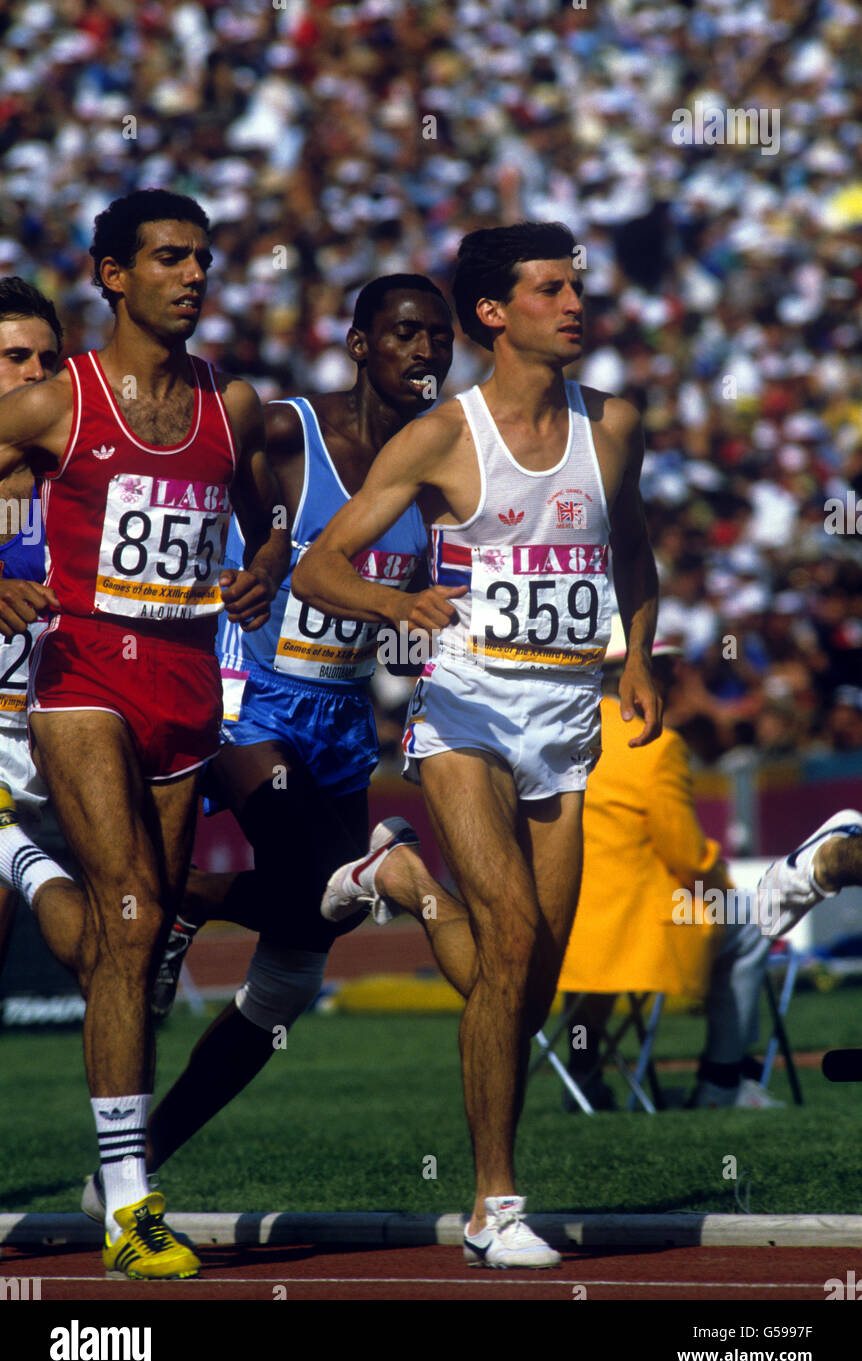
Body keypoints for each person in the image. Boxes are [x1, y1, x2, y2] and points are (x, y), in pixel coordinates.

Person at [293, 221, 662, 1269]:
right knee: (509, 943)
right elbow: (322, 568)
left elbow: (631, 549)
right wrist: (395, 600)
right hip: (463, 714)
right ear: (494, 314)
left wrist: (638, 656)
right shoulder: (443, 438)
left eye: (577, 286)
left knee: (528, 974)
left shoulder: (617, 425)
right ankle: (493, 1203)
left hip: (565, 719)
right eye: (551, 289)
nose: (576, 304)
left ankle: (406, 884)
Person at [87, 275, 456, 1186]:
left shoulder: (434, 462)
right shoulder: (288, 430)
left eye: (438, 337)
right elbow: (190, 463)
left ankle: (134, 1163)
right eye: (405, 333)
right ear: (359, 343)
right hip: (249, 695)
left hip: (340, 719)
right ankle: (307, 876)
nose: (425, 352)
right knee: (321, 873)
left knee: (293, 969)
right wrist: (240, 565)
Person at [0, 189, 289, 1279]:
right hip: (82, 677)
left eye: (204, 259)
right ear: (110, 274)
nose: (195, 276)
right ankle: (131, 1202)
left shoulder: (233, 403)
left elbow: (264, 512)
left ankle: (124, 1188)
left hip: (183, 682)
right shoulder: (57, 404)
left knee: (147, 927)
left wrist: (262, 569)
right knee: (126, 904)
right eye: (170, 258)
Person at [557, 619, 783, 1112]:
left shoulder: (549, 731)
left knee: (593, 980)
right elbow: (685, 854)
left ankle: (582, 1077)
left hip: (560, 928)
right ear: (633, 671)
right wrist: (725, 887)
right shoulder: (654, 744)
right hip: (630, 925)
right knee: (751, 925)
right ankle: (723, 1084)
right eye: (664, 668)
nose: (675, 679)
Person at [0, 278, 63, 975]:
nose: (36, 374)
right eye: (17, 357)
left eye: (48, 360)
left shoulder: (70, 477)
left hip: (47, 742)